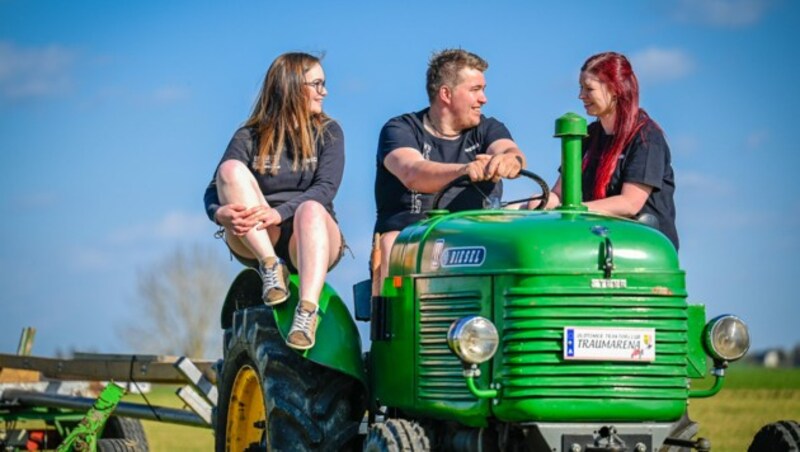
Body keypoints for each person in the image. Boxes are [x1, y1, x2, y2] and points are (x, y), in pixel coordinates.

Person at [203, 52, 345, 350]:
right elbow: (212, 188)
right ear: (293, 87)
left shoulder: (328, 131)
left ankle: (307, 310)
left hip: (311, 235)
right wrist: (219, 214)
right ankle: (270, 266)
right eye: (317, 84)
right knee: (229, 170)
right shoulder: (249, 135)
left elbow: (326, 188)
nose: (325, 92)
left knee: (310, 208)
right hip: (260, 235)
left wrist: (279, 213)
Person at [372, 49, 528, 294]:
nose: (484, 99)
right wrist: (466, 169)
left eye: (483, 89)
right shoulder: (400, 129)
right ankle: (397, 326)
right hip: (416, 242)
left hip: (477, 242)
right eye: (475, 90)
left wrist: (510, 161)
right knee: (392, 242)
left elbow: (510, 150)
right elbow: (412, 172)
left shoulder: (488, 128)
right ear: (446, 93)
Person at [534, 51, 679, 250]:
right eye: (580, 88)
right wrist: (529, 206)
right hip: (597, 244)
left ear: (614, 90)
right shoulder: (588, 135)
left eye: (589, 89)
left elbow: (630, 204)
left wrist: (570, 211)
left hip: (643, 249)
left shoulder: (646, 137)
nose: (581, 96)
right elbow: (559, 194)